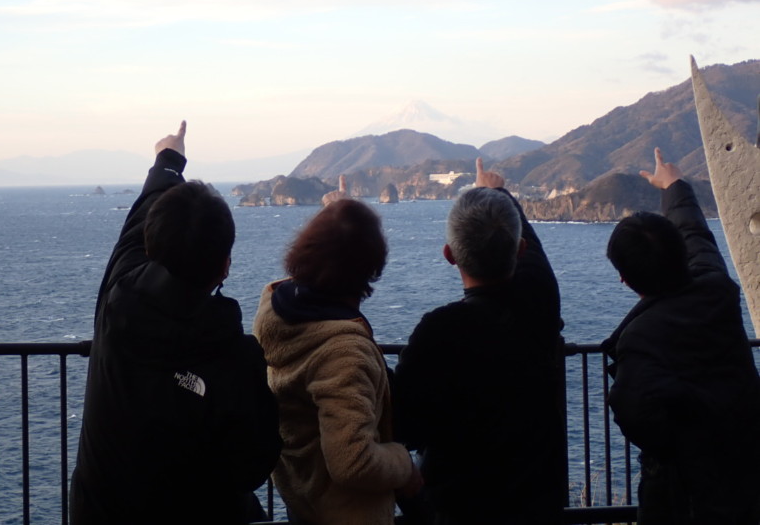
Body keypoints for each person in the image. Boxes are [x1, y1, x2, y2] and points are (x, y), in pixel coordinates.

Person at [70, 121, 281, 525]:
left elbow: (138, 223)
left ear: (151, 244)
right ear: (225, 266)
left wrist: (168, 160)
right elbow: (253, 465)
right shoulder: (238, 359)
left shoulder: (118, 300)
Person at [393, 158, 565, 525]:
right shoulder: (538, 307)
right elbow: (534, 255)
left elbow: (403, 426)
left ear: (449, 255)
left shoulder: (439, 331)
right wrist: (498, 192)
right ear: (519, 250)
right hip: (536, 507)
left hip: (458, 508)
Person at [602, 148, 760, 525]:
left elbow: (632, 412)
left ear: (624, 279)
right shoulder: (716, 288)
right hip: (748, 467)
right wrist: (673, 186)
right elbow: (695, 233)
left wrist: (678, 444)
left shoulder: (639, 338)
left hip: (685, 494)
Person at [253, 198, 422, 525]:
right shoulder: (343, 351)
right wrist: (404, 465)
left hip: (302, 494)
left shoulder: (278, 310)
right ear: (369, 267)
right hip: (347, 512)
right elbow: (353, 461)